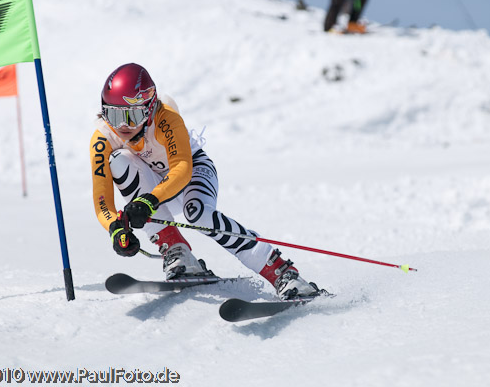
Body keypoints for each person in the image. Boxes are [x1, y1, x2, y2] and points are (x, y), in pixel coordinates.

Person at [89, 63, 323, 299]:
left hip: (192, 174)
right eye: (115, 115)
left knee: (197, 213)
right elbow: (102, 201)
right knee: (118, 159)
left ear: (149, 109)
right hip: (154, 190)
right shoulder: (102, 137)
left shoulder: (166, 118)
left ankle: (282, 272)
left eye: (134, 115)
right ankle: (176, 250)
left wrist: (149, 201)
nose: (123, 126)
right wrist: (116, 228)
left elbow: (182, 169)